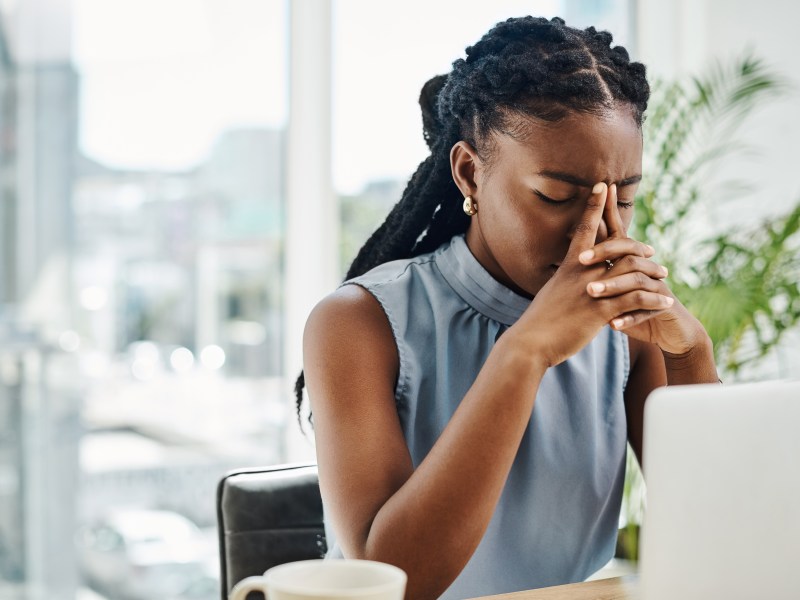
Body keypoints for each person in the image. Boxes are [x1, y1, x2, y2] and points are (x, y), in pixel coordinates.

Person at [298, 15, 718, 600]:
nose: (600, 232)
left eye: (624, 198)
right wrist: (525, 350)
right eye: (556, 196)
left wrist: (691, 353)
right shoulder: (359, 323)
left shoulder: (627, 328)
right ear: (470, 174)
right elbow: (396, 582)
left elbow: (721, 529)